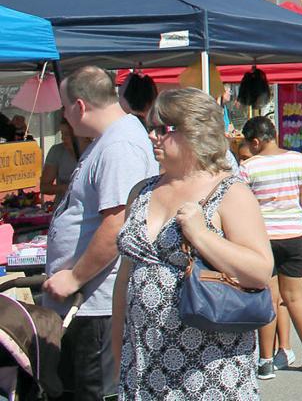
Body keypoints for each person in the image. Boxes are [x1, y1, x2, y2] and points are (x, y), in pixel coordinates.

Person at [112, 88, 273, 401]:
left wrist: (202, 235)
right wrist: (118, 347)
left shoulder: (230, 193)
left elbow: (260, 271)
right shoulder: (141, 193)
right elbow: (125, 276)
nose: (152, 137)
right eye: (150, 128)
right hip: (143, 365)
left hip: (208, 369)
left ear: (193, 132)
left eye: (162, 129)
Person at [45, 66, 158, 401]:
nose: (64, 117)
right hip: (88, 302)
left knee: (95, 392)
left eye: (64, 108)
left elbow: (117, 222)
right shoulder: (109, 141)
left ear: (79, 106)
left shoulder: (118, 145)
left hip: (97, 304)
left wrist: (75, 277)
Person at [239, 116, 302, 379]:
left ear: (255, 141)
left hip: (261, 240)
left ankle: (265, 361)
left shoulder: (247, 168)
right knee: (295, 298)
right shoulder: (297, 160)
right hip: (292, 237)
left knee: (268, 298)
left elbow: (241, 206)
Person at [41, 116, 87, 204]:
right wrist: (65, 188)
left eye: (67, 134)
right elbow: (44, 187)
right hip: (63, 207)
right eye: (62, 134)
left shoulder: (94, 150)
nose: (63, 138)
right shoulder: (57, 151)